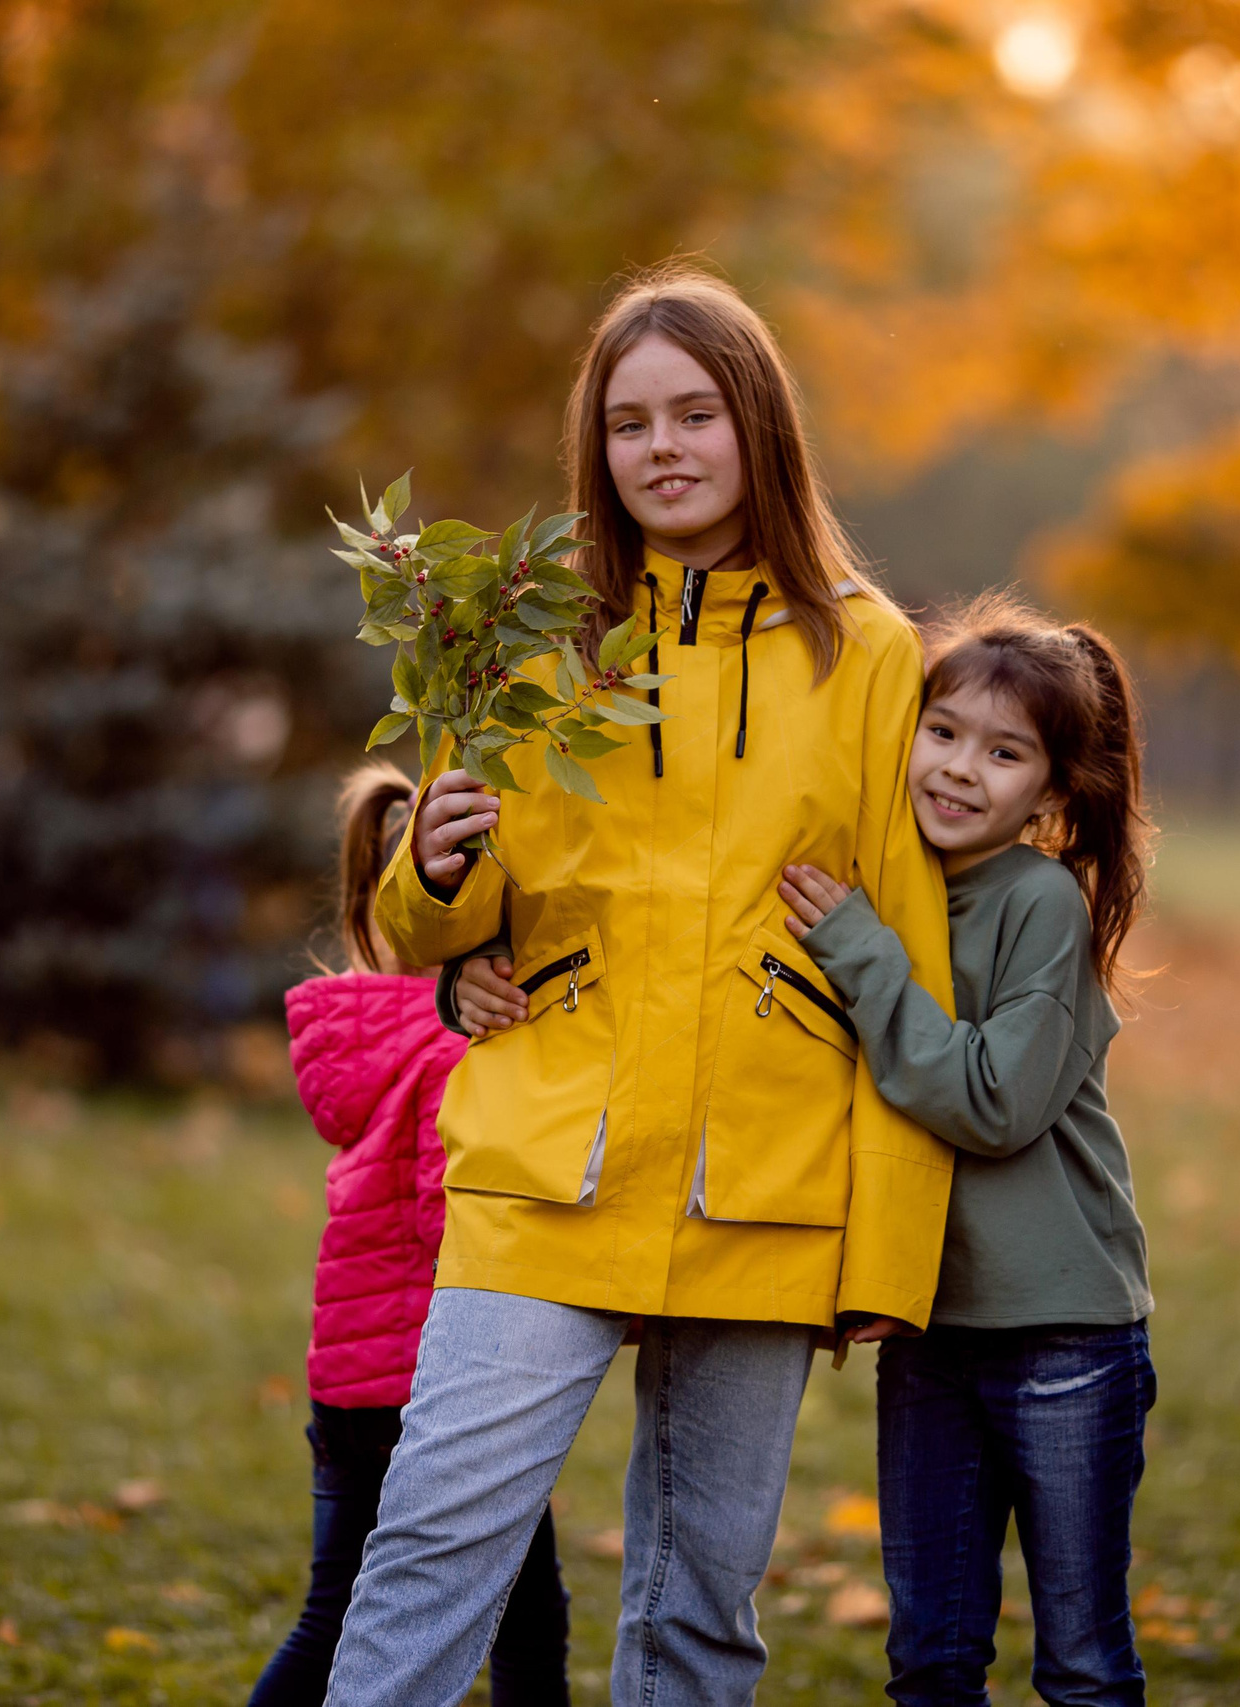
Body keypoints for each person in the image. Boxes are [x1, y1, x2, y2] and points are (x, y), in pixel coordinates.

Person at [329, 264, 956, 1707]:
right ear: (594, 451)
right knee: (429, 1546)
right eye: (627, 423)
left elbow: (904, 944)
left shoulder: (863, 651)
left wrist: (885, 1253)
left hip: (765, 1183)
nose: (662, 446)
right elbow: (426, 921)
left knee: (701, 1607)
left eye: (695, 412)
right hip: (551, 1164)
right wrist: (431, 866)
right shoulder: (536, 640)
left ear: (760, 428)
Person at [771, 593, 1156, 1706]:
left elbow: (991, 1102)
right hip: (927, 1326)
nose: (956, 769)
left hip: (1063, 1337)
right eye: (941, 733)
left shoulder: (1038, 903)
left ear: (1052, 788)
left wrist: (864, 956)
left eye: (1002, 752)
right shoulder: (881, 887)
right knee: (927, 1662)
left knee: (1082, 1663)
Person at [247, 765, 569, 1707]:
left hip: (348, 1382)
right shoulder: (452, 1049)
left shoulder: (361, 1036)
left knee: (344, 1608)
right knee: (520, 1623)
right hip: (438, 1382)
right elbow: (455, 1219)